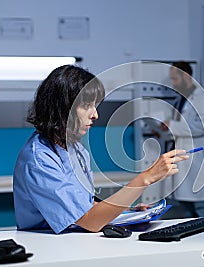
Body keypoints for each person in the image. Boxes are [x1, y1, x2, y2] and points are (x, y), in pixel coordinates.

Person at [13, 64, 188, 234]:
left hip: (77, 239)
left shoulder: (76, 149)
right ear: (63, 107)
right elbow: (89, 220)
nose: (95, 114)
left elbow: (85, 206)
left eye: (95, 105)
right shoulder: (39, 159)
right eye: (86, 105)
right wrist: (146, 178)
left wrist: (128, 209)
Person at [161, 61, 204, 218]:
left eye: (175, 79)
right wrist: (166, 129)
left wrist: (173, 125)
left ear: (186, 76)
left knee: (201, 204)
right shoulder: (182, 99)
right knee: (186, 205)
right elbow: (182, 126)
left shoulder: (201, 99)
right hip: (184, 156)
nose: (173, 83)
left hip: (196, 157)